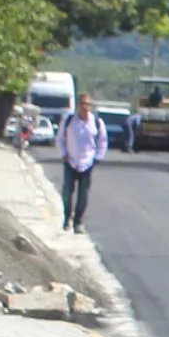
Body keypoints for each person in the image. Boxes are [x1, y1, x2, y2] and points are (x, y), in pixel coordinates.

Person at [56, 92, 104, 232]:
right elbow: (60, 138)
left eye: (87, 104)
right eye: (82, 104)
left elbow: (102, 141)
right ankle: (67, 219)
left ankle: (78, 222)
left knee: (83, 194)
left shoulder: (96, 123)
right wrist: (63, 154)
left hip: (87, 163)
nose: (85, 107)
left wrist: (97, 158)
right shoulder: (69, 121)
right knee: (67, 192)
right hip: (71, 161)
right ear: (77, 105)